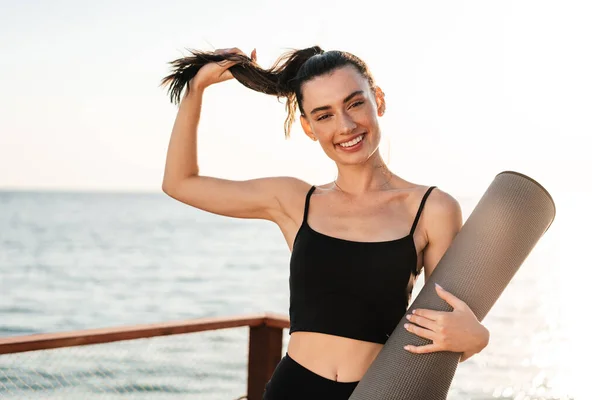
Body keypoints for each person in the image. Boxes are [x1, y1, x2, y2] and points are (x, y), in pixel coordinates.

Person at [160, 46, 490, 400]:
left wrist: (477, 338)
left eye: (354, 103)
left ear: (377, 100)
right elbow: (179, 183)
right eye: (324, 115)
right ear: (307, 126)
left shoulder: (432, 208)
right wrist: (197, 89)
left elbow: (439, 333)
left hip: (378, 393)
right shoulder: (293, 200)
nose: (345, 126)